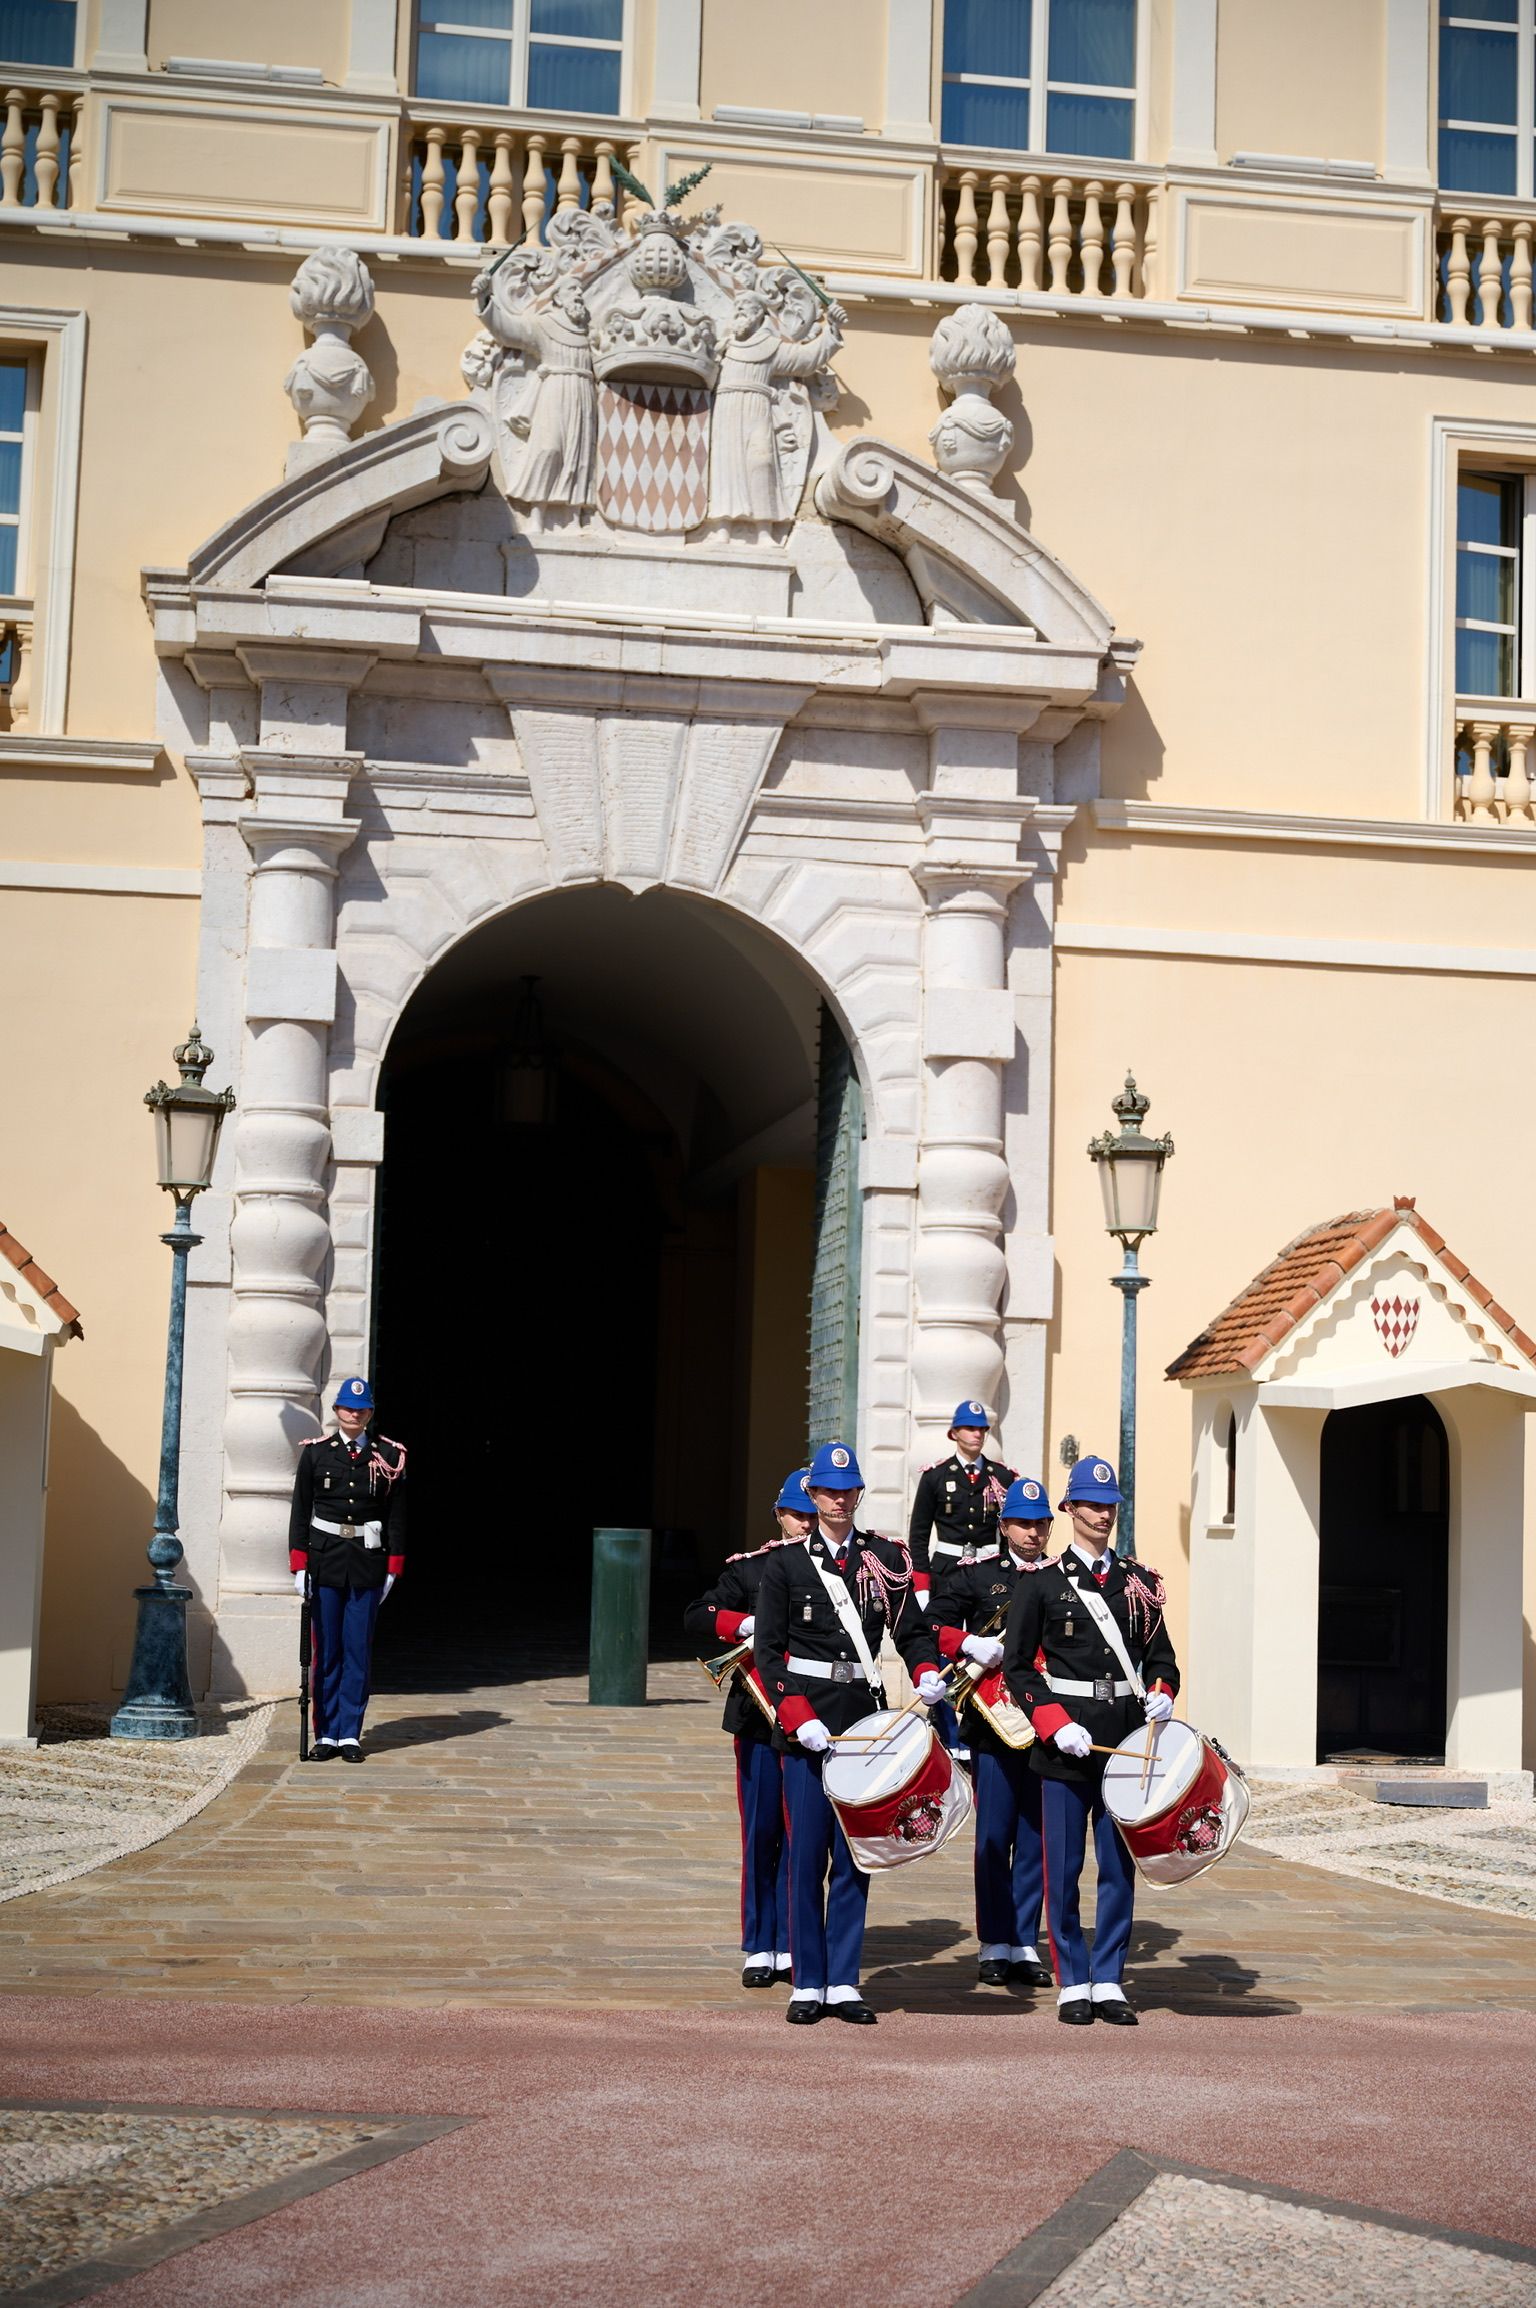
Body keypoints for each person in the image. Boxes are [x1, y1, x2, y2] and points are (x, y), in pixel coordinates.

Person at [754, 1440, 947, 2026]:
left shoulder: (883, 1559)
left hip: (865, 1722)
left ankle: (843, 1980)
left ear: (859, 1494)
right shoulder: (785, 1564)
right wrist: (797, 1716)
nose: (839, 1499)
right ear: (812, 1496)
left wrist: (926, 1671)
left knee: (855, 1854)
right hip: (808, 1725)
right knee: (807, 1855)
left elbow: (911, 1631)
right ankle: (808, 1981)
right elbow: (768, 1654)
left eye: (848, 1490)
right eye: (829, 1491)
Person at [1002, 1455, 1178, 2026]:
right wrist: (1054, 1722)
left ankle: (1108, 1977)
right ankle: (1072, 1978)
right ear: (1070, 1509)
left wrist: (1162, 1691)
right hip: (1065, 1745)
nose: (1102, 1515)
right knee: (1063, 1864)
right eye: (1092, 1505)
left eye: (1110, 1506)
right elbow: (1019, 1670)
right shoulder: (1042, 1584)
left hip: (1124, 1743)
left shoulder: (1139, 1582)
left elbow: (1162, 1657)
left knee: (1118, 1866)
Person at [683, 1469, 814, 1990]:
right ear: (778, 1516)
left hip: (816, 1720)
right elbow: (698, 1613)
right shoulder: (752, 1571)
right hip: (760, 1720)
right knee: (762, 1832)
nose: (804, 1523)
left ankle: (795, 1941)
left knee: (805, 1835)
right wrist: (742, 1624)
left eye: (811, 1513)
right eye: (796, 1514)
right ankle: (762, 1943)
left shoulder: (849, 1571)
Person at [929, 1475, 1057, 1991]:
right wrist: (968, 1645)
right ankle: (993, 1942)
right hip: (992, 1720)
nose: (1033, 1533)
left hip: (1049, 1721)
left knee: (1036, 1838)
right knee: (993, 1836)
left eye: (1041, 1524)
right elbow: (930, 1625)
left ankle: (1024, 1941)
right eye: (1023, 1523)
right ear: (1003, 1526)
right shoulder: (976, 1577)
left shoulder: (1064, 1578)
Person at [288, 1377, 407, 1763]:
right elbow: (301, 1512)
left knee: (357, 1650)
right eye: (347, 1408)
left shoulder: (388, 1455)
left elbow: (397, 1517)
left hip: (367, 1565)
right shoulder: (316, 1454)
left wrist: (392, 1568)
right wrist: (299, 1565)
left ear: (369, 1413)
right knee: (327, 1652)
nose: (353, 1414)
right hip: (325, 1563)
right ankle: (326, 1734)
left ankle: (350, 1734)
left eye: (361, 1409)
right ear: (336, 1412)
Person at [908, 1401, 1017, 1756]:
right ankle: (950, 1731)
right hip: (948, 1570)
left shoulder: (1001, 1478)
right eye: (970, 1428)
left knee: (988, 1647)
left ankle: (980, 1720)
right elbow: (919, 1535)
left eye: (982, 1429)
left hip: (988, 1572)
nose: (977, 1435)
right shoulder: (936, 1476)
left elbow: (1007, 1535)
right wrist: (922, 1587)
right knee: (947, 1648)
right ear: (954, 1433)